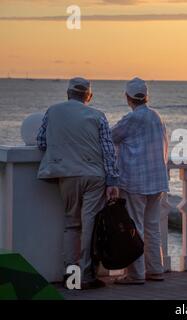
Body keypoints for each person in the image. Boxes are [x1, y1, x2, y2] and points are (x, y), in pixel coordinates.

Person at [36, 77, 119, 290]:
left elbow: (42, 142)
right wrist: (112, 180)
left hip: (67, 173)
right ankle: (88, 276)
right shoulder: (98, 115)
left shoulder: (52, 111)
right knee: (89, 225)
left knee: (72, 224)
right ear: (88, 96)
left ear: (67, 93)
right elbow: (109, 151)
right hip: (94, 175)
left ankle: (70, 275)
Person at [112, 77, 169, 285]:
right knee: (152, 227)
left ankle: (136, 274)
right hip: (158, 180)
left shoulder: (131, 119)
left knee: (134, 226)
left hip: (136, 181)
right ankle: (156, 269)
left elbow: (110, 137)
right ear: (146, 96)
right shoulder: (157, 116)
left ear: (128, 97)